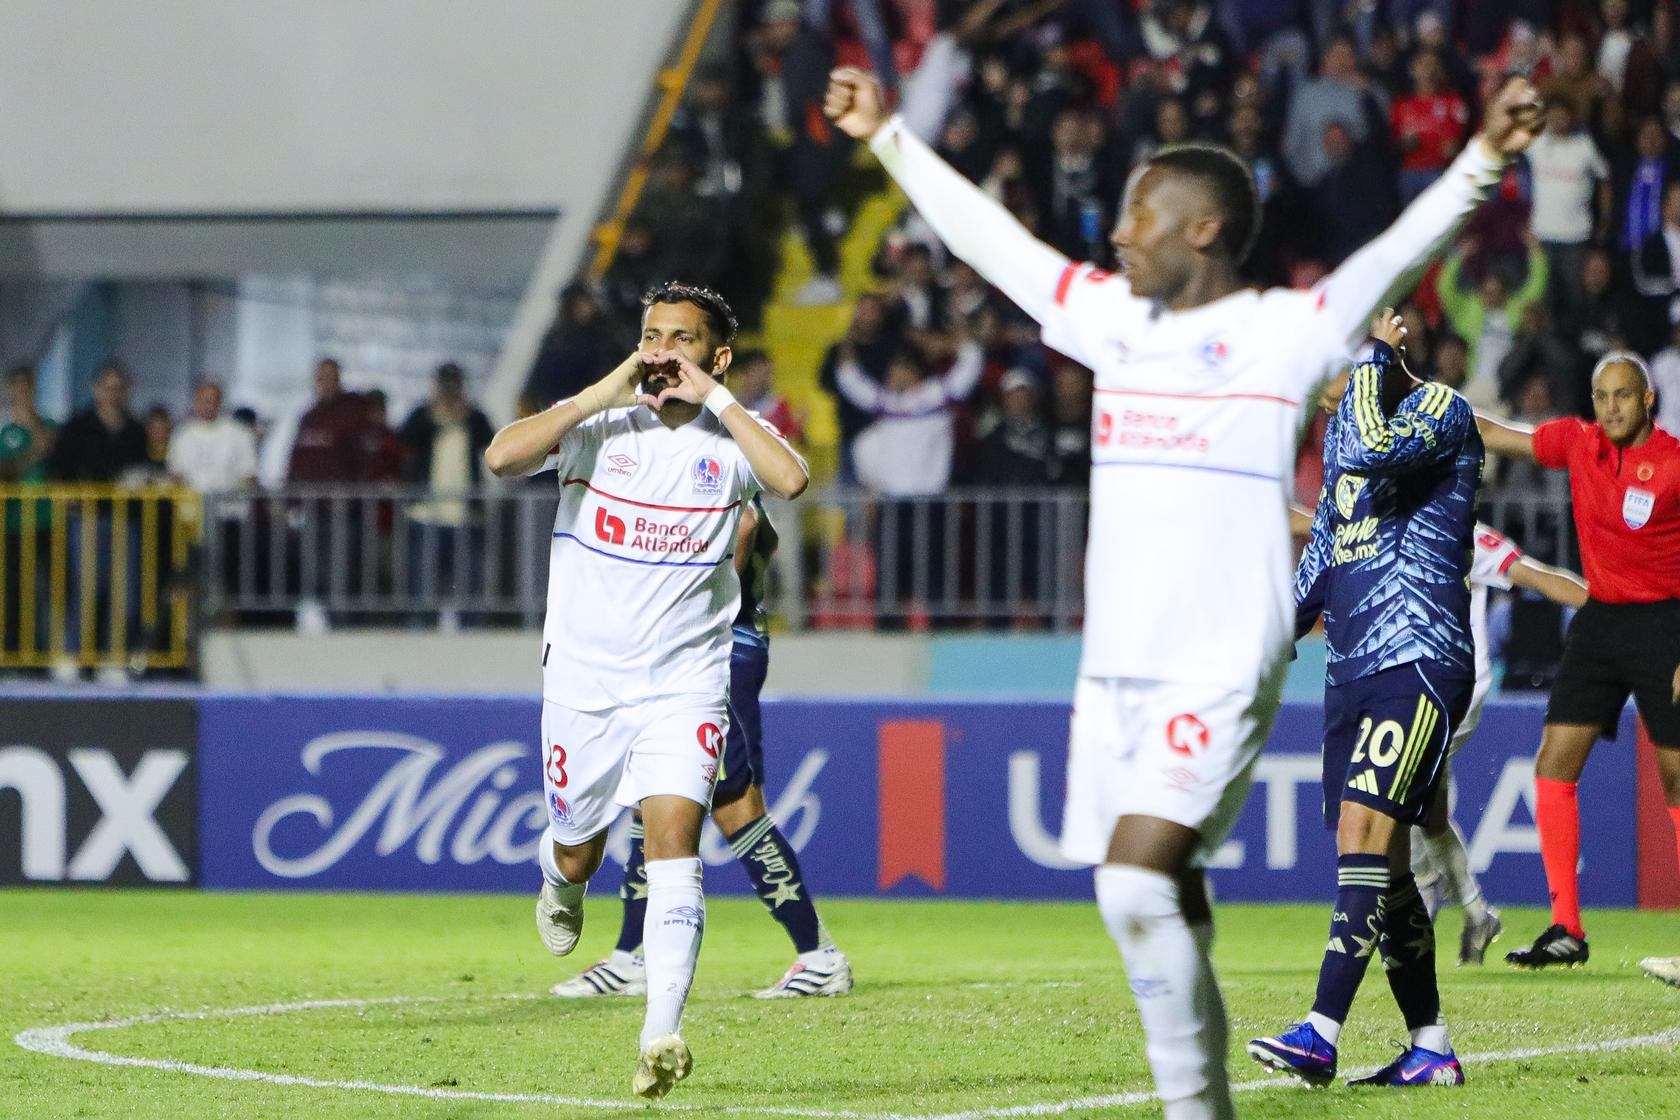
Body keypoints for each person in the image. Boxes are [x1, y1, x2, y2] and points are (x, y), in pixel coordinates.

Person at [825, 65, 1540, 1119]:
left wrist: (1483, 157)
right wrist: (888, 137)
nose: (1118, 234)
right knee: (1169, 898)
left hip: (1218, 658)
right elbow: (995, 246)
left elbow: (1395, 252)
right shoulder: (1111, 318)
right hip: (1114, 668)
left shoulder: (1284, 330)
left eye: (1140, 215)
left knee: (1131, 882)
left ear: (1203, 230)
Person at [482, 281, 807, 1100]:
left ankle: (660, 1032)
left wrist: (720, 400)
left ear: (716, 356)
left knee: (674, 847)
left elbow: (791, 479)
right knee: (579, 849)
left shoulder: (733, 439)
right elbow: (501, 458)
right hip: (586, 683)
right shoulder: (598, 426)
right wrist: (606, 387)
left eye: (682, 339)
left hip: (685, 685)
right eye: (653, 334)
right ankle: (561, 882)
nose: (663, 350)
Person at [1253, 311, 1482, 1088]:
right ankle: (1431, 1046)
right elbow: (1317, 567)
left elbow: (1371, 447)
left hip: (1416, 654)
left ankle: (1320, 1033)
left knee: (1363, 827)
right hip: (1351, 673)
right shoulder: (1341, 454)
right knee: (1383, 860)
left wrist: (1375, 358)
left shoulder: (1439, 409)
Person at [553, 496, 851, 1001]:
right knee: (654, 797)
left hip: (713, 655)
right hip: (703, 653)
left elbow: (745, 526)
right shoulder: (726, 471)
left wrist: (697, 601)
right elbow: (761, 531)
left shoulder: (717, 469)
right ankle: (632, 956)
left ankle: (820, 956)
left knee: (736, 806)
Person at [1475, 352, 1680, 970]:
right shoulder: (1578, 443)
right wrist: (1408, 393)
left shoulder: (1674, 463)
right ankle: (1566, 927)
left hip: (1666, 626)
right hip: (1600, 622)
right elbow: (1491, 432)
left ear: (1648, 400)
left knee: (1677, 779)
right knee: (1554, 764)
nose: (1611, 407)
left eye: (1623, 395)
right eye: (1601, 396)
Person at [1411, 524, 1587, 961]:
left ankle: (1423, 894)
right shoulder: (1385, 522)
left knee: (1392, 791)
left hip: (1454, 690)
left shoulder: (1464, 533)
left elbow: (1538, 577)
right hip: (1407, 687)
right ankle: (1476, 913)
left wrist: (1615, 608)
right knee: (1426, 813)